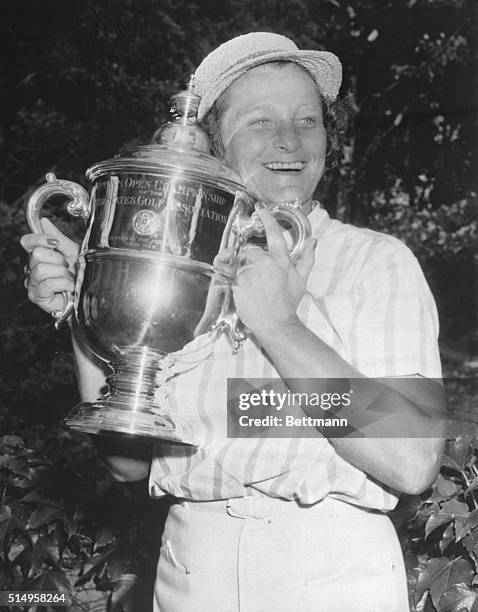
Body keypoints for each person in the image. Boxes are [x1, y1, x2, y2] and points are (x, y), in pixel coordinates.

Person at [21, 32, 446, 612]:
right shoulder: (178, 272)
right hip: (191, 571)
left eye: (308, 120)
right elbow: (127, 464)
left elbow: (413, 459)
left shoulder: (373, 262)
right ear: (213, 146)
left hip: (331, 575)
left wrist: (281, 327)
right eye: (261, 122)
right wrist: (84, 308)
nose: (290, 141)